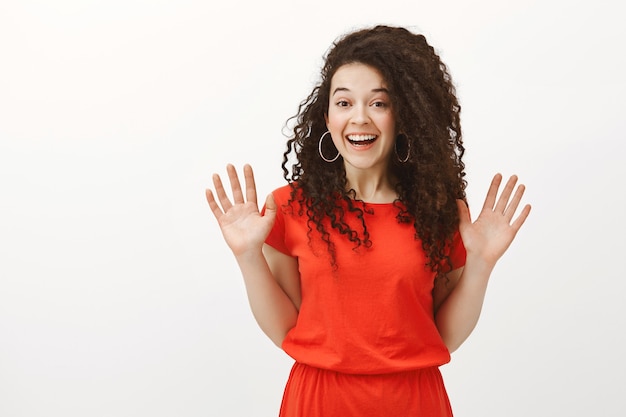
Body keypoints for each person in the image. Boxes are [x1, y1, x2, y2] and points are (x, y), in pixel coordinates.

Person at [206, 25, 531, 417]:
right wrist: (247, 255)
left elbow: (443, 336)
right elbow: (285, 330)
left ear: (405, 114)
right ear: (326, 116)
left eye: (379, 103)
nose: (359, 118)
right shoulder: (289, 208)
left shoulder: (437, 212)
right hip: (319, 400)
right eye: (344, 103)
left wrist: (481, 263)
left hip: (414, 401)